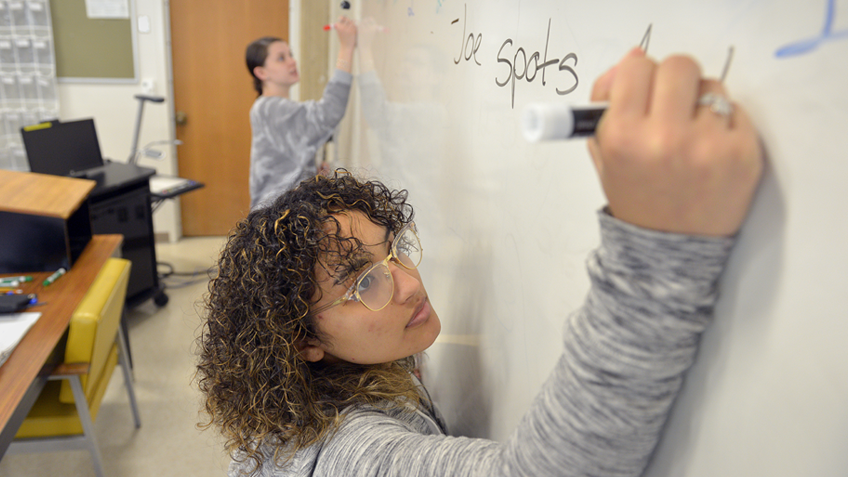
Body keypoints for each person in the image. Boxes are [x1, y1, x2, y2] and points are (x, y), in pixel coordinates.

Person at [197, 47, 763, 476]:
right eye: (365, 282)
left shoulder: (347, 372)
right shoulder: (348, 452)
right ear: (302, 341)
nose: (410, 285)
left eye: (393, 252)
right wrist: (655, 245)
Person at [245, 16, 357, 211]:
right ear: (262, 73)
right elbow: (329, 111)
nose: (292, 61)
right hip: (275, 216)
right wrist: (346, 48)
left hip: (284, 211)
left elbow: (289, 158)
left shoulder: (271, 107)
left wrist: (311, 172)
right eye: (281, 58)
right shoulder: (269, 109)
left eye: (291, 54)